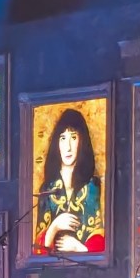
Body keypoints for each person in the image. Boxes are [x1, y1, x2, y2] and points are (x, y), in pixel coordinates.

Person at [35, 108, 105, 254]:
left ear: (81, 141)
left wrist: (79, 248)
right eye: (63, 138)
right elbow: (37, 251)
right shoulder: (47, 189)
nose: (68, 147)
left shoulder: (92, 186)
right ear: (57, 144)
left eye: (73, 137)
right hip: (53, 273)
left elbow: (100, 237)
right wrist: (55, 226)